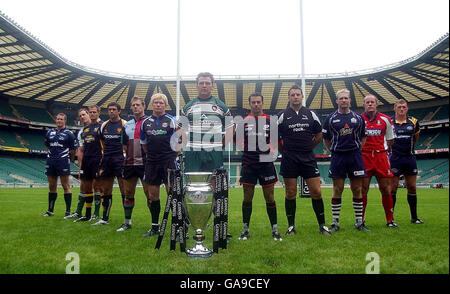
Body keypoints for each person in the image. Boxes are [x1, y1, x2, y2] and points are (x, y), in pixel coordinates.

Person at [277, 85, 331, 236]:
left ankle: (322, 226)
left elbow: (319, 135)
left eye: (298, 94)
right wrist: (285, 152)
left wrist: (309, 147)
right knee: (291, 192)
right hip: (289, 158)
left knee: (316, 191)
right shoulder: (282, 115)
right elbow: (275, 138)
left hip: (307, 157)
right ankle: (291, 227)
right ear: (289, 97)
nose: (295, 97)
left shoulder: (311, 114)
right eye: (292, 94)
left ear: (302, 97)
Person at [322, 89, 370, 232]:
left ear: (350, 100)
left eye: (346, 98)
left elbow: (363, 138)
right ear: (337, 101)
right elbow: (326, 139)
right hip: (338, 156)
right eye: (341, 98)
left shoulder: (358, 118)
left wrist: (355, 149)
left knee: (357, 189)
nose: (343, 100)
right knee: (338, 189)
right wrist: (335, 150)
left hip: (354, 156)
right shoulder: (330, 118)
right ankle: (335, 223)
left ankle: (359, 222)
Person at [235, 93, 282, 241]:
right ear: (250, 104)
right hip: (249, 163)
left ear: (263, 103)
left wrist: (268, 153)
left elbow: (275, 143)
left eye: (258, 102)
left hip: (266, 163)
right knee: (247, 197)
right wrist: (250, 151)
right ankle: (245, 230)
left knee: (270, 197)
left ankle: (275, 230)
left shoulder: (270, 121)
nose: (256, 104)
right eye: (253, 102)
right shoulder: (244, 122)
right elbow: (238, 141)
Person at [140, 93, 179, 237]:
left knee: (173, 193)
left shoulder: (172, 121)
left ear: (166, 105)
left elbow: (179, 141)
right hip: (152, 162)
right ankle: (155, 226)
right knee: (152, 195)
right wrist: (153, 156)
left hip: (168, 160)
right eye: (156, 102)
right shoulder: (145, 123)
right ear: (151, 104)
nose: (158, 105)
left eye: (161, 103)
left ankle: (178, 226)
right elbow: (144, 144)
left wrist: (171, 156)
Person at [180, 72, 233, 173]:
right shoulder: (187, 107)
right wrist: (188, 144)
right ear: (197, 85)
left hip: (213, 151)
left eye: (208, 83)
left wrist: (221, 145)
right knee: (193, 183)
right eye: (201, 83)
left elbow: (231, 128)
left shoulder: (221, 106)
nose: (204, 86)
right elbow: (180, 129)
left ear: (212, 86)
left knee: (214, 181)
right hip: (193, 151)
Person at [361, 94, 397, 228]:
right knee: (363, 189)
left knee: (386, 188)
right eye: (367, 102)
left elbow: (390, 139)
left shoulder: (386, 120)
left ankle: (390, 220)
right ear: (364, 105)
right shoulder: (359, 119)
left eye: (372, 102)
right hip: (364, 156)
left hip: (381, 156)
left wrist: (381, 149)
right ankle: (361, 220)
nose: (370, 104)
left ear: (377, 104)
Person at [116, 96, 150, 232]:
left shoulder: (149, 121)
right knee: (128, 193)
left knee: (150, 194)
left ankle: (154, 224)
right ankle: (127, 222)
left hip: (146, 163)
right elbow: (124, 144)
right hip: (130, 163)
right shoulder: (127, 124)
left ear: (144, 106)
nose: (135, 107)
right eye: (133, 105)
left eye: (138, 105)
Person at [92, 102, 126, 226]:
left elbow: (127, 142)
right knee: (106, 190)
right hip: (107, 160)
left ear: (119, 111)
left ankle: (126, 219)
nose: (111, 111)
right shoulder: (104, 126)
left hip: (120, 159)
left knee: (124, 190)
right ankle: (105, 218)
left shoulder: (124, 124)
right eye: (109, 109)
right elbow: (101, 142)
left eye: (114, 109)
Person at [389, 99, 423, 224]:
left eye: (404, 107)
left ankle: (414, 217)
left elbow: (415, 138)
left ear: (407, 108)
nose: (401, 109)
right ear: (395, 109)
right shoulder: (390, 122)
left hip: (409, 158)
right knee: (393, 188)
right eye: (399, 107)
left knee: (412, 187)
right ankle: (390, 218)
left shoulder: (413, 122)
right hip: (394, 158)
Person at [69, 106, 104, 222]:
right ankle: (85, 213)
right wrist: (80, 167)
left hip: (98, 160)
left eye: (84, 114)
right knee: (85, 187)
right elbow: (81, 150)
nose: (83, 117)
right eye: (80, 116)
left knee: (97, 186)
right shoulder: (83, 131)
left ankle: (97, 213)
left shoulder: (102, 126)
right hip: (86, 162)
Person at [42, 113, 77, 217]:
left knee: (65, 185)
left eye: (61, 119)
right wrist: (50, 155)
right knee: (52, 186)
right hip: (51, 161)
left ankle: (67, 212)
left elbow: (73, 150)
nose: (59, 121)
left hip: (63, 161)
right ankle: (50, 210)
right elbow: (47, 146)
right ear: (55, 120)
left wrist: (68, 159)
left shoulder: (69, 134)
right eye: (57, 119)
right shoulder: (49, 132)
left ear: (65, 121)